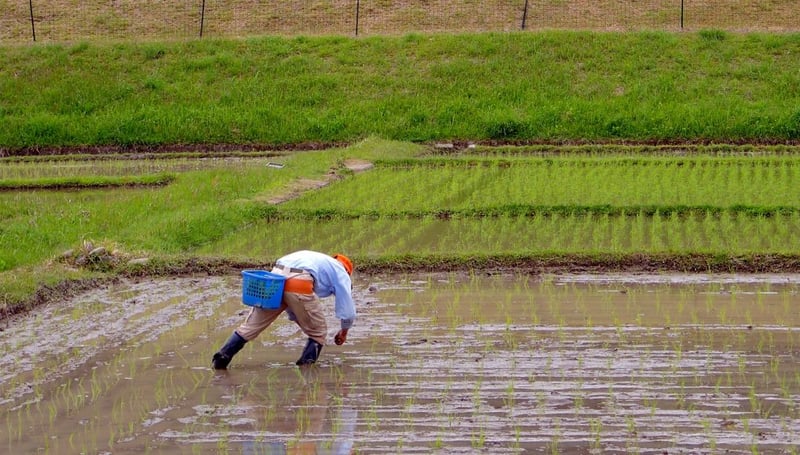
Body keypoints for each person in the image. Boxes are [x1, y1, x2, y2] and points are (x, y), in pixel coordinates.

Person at [212, 250, 355, 369]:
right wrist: (344, 332)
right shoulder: (340, 271)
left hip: (274, 280)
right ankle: (306, 371)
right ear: (347, 271)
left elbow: (292, 305)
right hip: (299, 282)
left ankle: (221, 360)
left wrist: (302, 320)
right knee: (318, 333)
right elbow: (347, 310)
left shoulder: (317, 260)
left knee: (249, 327)